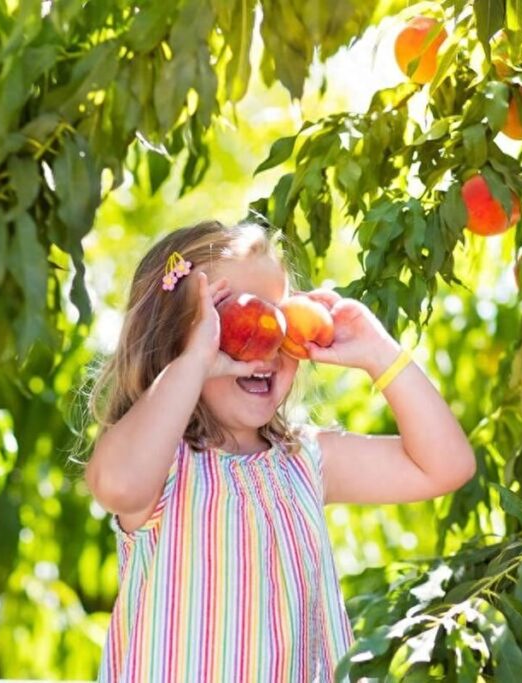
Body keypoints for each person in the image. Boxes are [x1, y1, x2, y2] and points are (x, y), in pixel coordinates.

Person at [84, 220, 476, 682]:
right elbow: (116, 483)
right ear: (178, 342)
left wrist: (378, 353)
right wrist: (195, 361)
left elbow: (446, 466)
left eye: (280, 321)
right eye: (235, 320)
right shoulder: (165, 466)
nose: (265, 340)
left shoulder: (304, 461)